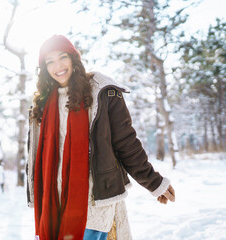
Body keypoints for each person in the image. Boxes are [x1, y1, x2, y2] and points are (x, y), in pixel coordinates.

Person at [26, 35, 175, 240]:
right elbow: (36, 156)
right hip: (53, 201)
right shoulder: (42, 103)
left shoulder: (102, 92)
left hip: (92, 201)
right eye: (49, 61)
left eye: (62, 57)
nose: (57, 66)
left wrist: (154, 182)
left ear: (73, 58)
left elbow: (126, 143)